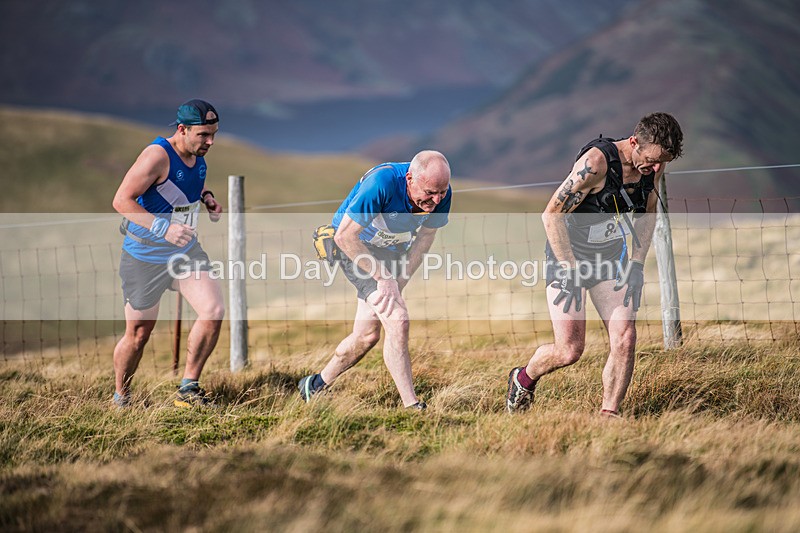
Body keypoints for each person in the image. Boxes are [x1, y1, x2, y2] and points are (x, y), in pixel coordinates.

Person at [506, 112, 684, 417]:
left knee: (625, 337)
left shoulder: (654, 163)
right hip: (568, 256)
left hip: (610, 257)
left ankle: (608, 415)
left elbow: (648, 213)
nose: (656, 168)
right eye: (652, 160)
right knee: (570, 350)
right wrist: (571, 270)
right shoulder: (596, 163)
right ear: (634, 142)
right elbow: (551, 215)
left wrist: (637, 265)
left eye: (662, 162)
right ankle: (523, 378)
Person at [299, 151, 453, 409]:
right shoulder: (381, 183)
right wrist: (384, 278)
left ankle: (313, 386)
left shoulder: (441, 193)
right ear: (410, 179)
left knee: (366, 336)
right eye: (429, 193)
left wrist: (398, 281)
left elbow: (426, 237)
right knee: (398, 320)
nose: (436, 200)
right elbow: (345, 237)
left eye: (442, 192)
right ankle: (411, 406)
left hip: (391, 252)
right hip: (354, 247)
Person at [111, 99, 225, 408]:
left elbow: (187, 185)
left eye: (213, 134)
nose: (210, 142)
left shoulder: (197, 153)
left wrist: (208, 198)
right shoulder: (156, 156)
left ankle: (188, 389)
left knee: (213, 311)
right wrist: (163, 229)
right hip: (144, 256)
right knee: (138, 334)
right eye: (203, 135)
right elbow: (122, 200)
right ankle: (122, 396)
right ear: (182, 129)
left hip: (184, 252)